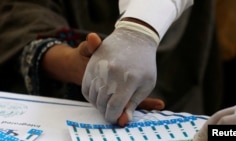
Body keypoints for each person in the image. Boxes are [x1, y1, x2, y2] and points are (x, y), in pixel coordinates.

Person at [0, 0, 222, 126]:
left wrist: (138, 29)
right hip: (47, 113)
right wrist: (72, 63)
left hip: (171, 94)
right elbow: (18, 17)